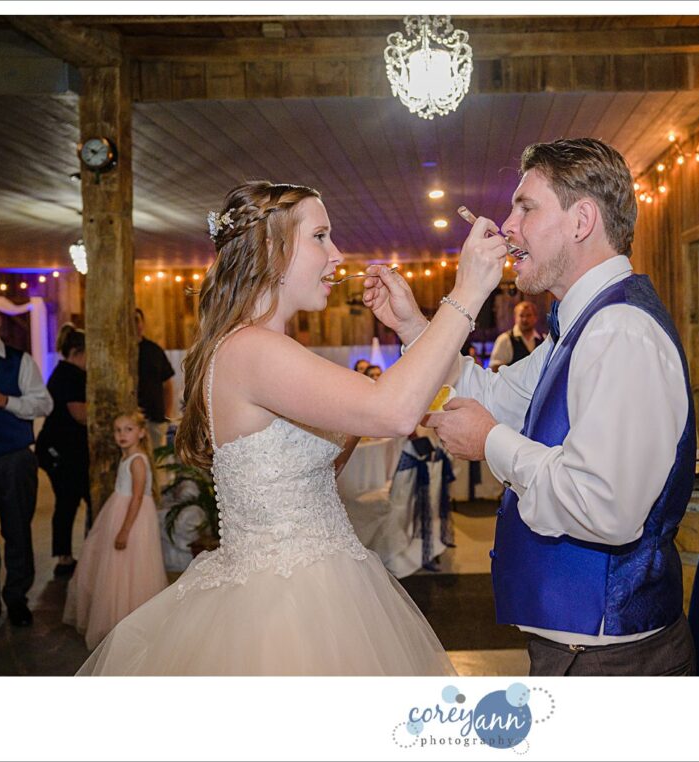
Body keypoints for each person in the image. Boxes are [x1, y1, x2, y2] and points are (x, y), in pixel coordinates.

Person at [74, 180, 505, 675]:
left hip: (322, 579)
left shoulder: (263, 350)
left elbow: (332, 455)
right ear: (270, 251)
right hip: (286, 604)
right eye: (320, 236)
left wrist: (406, 332)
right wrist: (468, 290)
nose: (337, 254)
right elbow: (394, 412)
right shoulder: (253, 350)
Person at [365, 138, 697, 677]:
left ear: (581, 220)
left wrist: (491, 443)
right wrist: (411, 326)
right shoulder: (579, 326)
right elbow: (494, 396)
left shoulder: (620, 331)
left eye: (526, 207)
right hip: (578, 651)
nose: (508, 227)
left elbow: (604, 506)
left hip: (616, 661)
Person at [0, 296, 54, 627]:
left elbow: (43, 405)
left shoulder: (20, 361)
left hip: (14, 459)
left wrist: (4, 400)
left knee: (17, 529)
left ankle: (17, 597)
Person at [63, 410, 168, 650]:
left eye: (128, 429)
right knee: (115, 568)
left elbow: (138, 498)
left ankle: (131, 623)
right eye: (118, 430)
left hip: (132, 519)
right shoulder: (126, 458)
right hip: (119, 510)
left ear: (141, 433)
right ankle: (117, 622)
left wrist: (124, 531)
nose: (121, 435)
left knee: (129, 570)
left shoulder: (138, 461)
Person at [36, 323, 91, 577]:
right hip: (61, 451)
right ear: (78, 352)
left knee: (76, 500)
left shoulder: (65, 372)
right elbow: (79, 414)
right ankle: (65, 559)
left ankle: (77, 553)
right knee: (69, 501)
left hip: (67, 449)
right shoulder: (70, 375)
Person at [135, 307, 175, 451]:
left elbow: (168, 385)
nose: (135, 326)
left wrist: (167, 414)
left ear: (143, 324)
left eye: (137, 321)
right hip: (131, 421)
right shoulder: (121, 353)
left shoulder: (154, 351)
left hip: (156, 418)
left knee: (159, 463)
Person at [488, 301, 544, 371]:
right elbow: (495, 368)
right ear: (515, 318)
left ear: (535, 318)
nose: (525, 319)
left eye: (528, 315)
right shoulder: (505, 339)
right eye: (521, 315)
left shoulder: (544, 339)